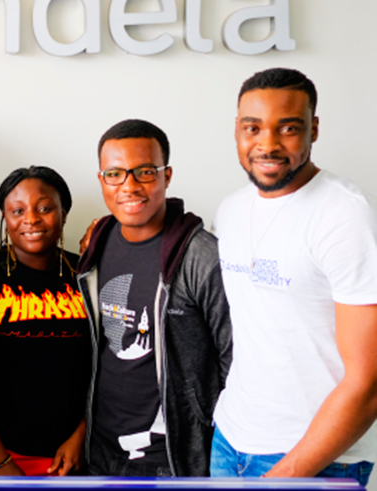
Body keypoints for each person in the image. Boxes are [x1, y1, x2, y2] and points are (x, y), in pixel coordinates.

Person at [210, 68, 377, 485]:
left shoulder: (344, 215)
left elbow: (369, 381)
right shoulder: (229, 210)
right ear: (236, 130)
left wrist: (285, 476)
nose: (268, 144)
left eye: (288, 128)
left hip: (313, 457)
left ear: (314, 129)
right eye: (253, 128)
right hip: (230, 440)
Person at [76, 120, 231, 477]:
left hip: (170, 457)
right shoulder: (98, 243)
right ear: (102, 180)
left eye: (144, 172)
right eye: (115, 173)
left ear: (166, 175)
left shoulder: (201, 257)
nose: (129, 186)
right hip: (100, 450)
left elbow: (234, 361)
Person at [0, 166, 90, 476]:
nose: (31, 219)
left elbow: (107, 370)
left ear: (64, 213)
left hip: (68, 454)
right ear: (4, 217)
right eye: (17, 210)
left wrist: (82, 434)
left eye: (45, 208)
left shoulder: (87, 277)